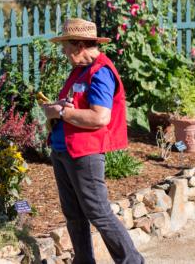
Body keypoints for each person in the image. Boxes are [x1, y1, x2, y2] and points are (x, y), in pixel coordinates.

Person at [42, 18, 145, 264]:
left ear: (78, 45)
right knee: (74, 214)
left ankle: (133, 261)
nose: (64, 51)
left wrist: (60, 112)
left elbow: (100, 117)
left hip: (84, 153)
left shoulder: (101, 72)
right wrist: (61, 107)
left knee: (98, 212)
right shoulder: (81, 69)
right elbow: (81, 105)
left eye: (66, 46)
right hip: (64, 149)